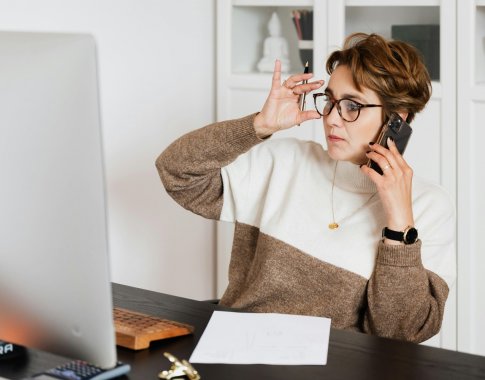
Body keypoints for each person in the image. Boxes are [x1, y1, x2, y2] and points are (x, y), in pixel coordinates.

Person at [156, 33, 455, 343]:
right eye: (330, 101)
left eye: (352, 105)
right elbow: (176, 172)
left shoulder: (428, 206)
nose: (332, 119)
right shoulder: (285, 161)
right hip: (237, 354)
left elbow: (401, 333)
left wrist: (398, 227)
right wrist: (258, 126)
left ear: (397, 119)